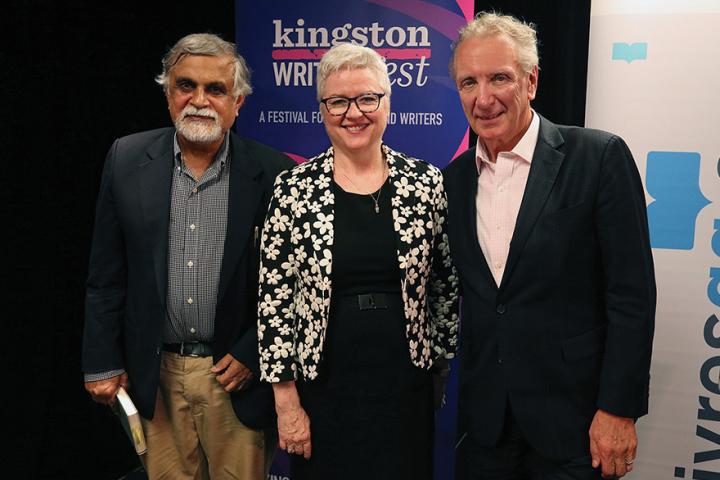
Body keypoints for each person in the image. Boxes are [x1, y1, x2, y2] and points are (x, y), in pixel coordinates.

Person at [443, 12, 656, 480]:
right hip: (486, 429)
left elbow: (631, 297)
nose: (484, 98)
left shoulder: (597, 158)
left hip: (576, 426)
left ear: (531, 81)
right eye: (468, 82)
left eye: (500, 78)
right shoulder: (453, 181)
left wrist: (618, 410)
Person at [82, 33, 294, 479]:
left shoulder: (275, 173)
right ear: (168, 94)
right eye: (186, 86)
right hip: (153, 377)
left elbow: (292, 284)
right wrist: (102, 360)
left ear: (237, 102)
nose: (199, 100)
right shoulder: (126, 158)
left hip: (236, 382)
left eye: (215, 90)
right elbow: (106, 273)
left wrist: (256, 349)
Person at [256, 43, 460, 479]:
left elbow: (446, 284)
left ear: (387, 102)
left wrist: (439, 361)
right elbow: (274, 301)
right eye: (338, 101)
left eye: (368, 98)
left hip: (405, 389)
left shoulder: (425, 183)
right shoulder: (292, 189)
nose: (354, 113)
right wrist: (286, 400)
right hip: (322, 391)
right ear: (321, 108)